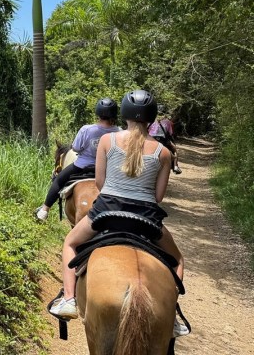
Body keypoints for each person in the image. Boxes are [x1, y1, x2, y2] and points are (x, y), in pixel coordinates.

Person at [49, 90, 188, 335]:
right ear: (152, 119)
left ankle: (69, 299)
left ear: (123, 115)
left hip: (107, 212)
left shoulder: (108, 141)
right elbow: (157, 198)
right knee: (177, 260)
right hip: (146, 218)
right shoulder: (163, 153)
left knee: (70, 243)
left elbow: (100, 184)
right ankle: (172, 317)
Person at [34, 98, 120, 221]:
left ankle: (44, 210)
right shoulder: (118, 131)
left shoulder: (86, 129)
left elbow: (75, 148)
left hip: (81, 167)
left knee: (58, 180)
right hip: (108, 169)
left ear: (98, 113)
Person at [149, 105, 182, 174]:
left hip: (151, 139)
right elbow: (170, 133)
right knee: (174, 149)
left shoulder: (150, 120)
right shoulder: (167, 122)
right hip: (163, 140)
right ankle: (175, 166)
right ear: (165, 113)